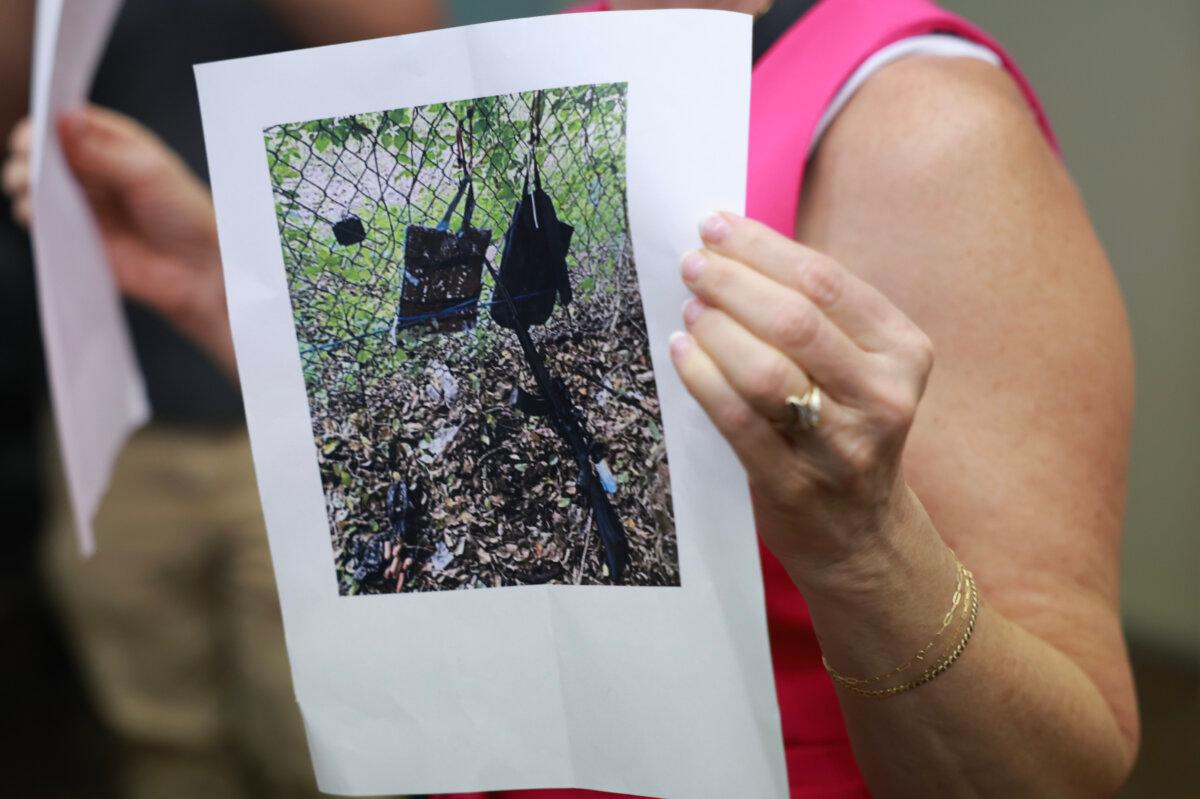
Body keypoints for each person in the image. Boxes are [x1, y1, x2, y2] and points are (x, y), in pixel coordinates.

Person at [3, 0, 1140, 797]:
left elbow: (1067, 764)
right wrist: (226, 283)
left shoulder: (919, 123)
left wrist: (863, 546)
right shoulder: (577, 45)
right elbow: (494, 398)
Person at [1, 2, 442, 798]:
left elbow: (406, 33)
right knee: (158, 745)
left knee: (323, 744)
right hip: (111, 399)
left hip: (305, 400)